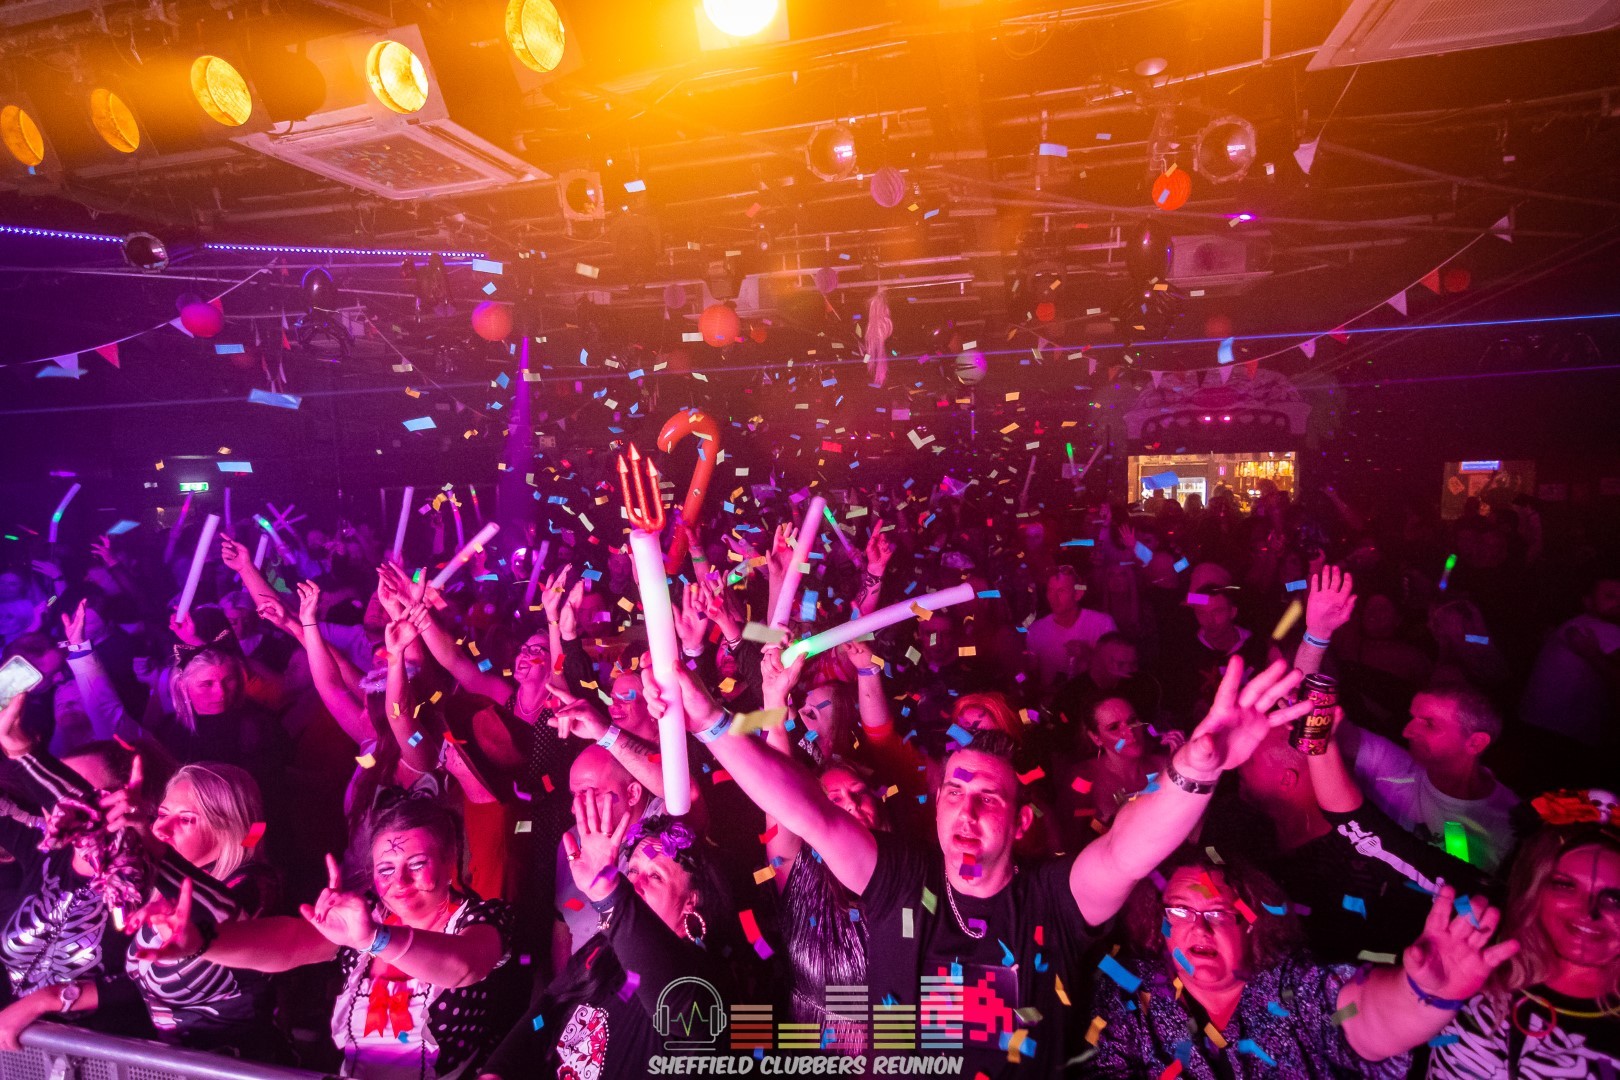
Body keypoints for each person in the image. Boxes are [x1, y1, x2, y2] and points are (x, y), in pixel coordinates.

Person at [669, 646, 1317, 1078]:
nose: (967, 811)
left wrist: (1195, 771)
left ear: (1022, 820)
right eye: (954, 792)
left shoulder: (1054, 899)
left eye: (989, 797)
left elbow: (1128, 848)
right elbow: (808, 812)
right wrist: (709, 719)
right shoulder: (900, 877)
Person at [131, 799, 517, 1080]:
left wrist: (375, 938)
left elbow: (463, 966)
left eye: (416, 864)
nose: (399, 882)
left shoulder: (482, 917)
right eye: (385, 869)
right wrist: (203, 943)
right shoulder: (369, 915)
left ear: (450, 859)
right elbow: (289, 941)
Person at [1088, 849, 1520, 1078]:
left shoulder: (1292, 987)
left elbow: (1361, 1017)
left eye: (1219, 913)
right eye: (1180, 911)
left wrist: (1421, 994)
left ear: (1252, 924)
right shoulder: (1129, 989)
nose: (1198, 928)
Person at [480, 808, 731, 1080]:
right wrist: (498, 1070)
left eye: (655, 876)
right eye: (632, 870)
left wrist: (609, 894)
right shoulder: (602, 949)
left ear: (690, 901)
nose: (635, 884)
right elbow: (547, 1010)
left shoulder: (702, 980)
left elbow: (673, 1003)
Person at [1426, 792, 1620, 1078]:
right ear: (1534, 888)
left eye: (1615, 899)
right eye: (1565, 886)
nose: (1588, 912)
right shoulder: (1473, 957)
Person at [1342, 686, 1521, 874]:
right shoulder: (1393, 765)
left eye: (1429, 724)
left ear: (1475, 743)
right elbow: (1332, 729)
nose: (1407, 732)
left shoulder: (1512, 824)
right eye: (1412, 718)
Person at [551, 746, 664, 963]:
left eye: (589, 793)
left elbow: (687, 794)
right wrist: (564, 982)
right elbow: (561, 926)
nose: (575, 808)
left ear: (632, 793)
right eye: (574, 795)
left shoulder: (664, 831)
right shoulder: (572, 842)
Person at [1520, 574, 1620, 759]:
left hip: (1540, 725)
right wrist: (1595, 656)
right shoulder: (1599, 627)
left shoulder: (1578, 623)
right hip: (1561, 734)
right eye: (1610, 596)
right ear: (1588, 603)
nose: (1618, 603)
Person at [1026, 565, 1117, 690]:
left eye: (1061, 591)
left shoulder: (1102, 623)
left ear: (1078, 594)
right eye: (1050, 590)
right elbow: (1030, 677)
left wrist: (1089, 655)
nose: (1053, 598)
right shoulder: (1036, 630)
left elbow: (1117, 673)